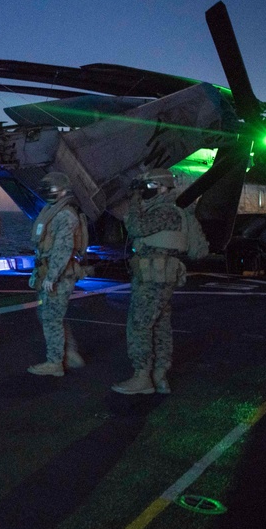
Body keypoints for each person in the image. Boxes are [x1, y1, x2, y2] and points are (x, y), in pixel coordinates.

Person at [113, 168, 186, 395]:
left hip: (154, 277)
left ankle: (142, 376)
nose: (145, 192)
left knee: (139, 324)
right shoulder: (164, 210)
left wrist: (134, 199)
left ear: (164, 188)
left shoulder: (165, 211)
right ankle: (159, 375)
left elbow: (136, 227)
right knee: (160, 325)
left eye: (150, 187)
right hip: (156, 274)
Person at [26, 172, 88, 377]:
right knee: (50, 315)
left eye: (51, 189)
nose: (47, 193)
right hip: (49, 271)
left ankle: (55, 363)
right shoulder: (53, 210)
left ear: (62, 190)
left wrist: (51, 277)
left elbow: (63, 249)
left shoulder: (65, 215)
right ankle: (69, 353)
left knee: (51, 318)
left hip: (59, 275)